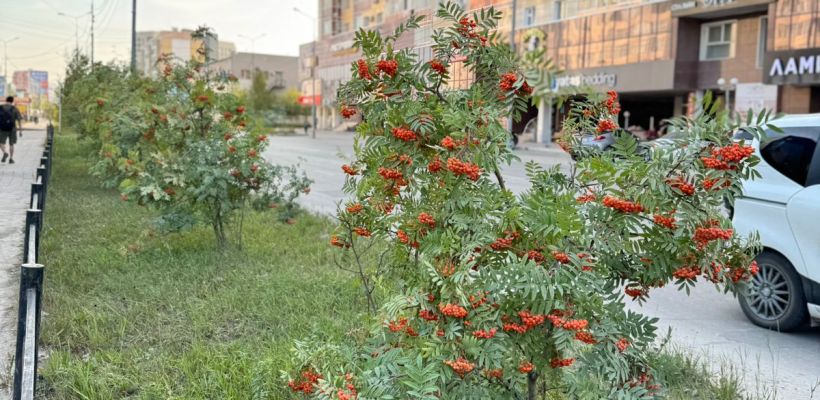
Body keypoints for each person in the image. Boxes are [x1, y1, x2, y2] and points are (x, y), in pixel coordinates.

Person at [0, 96, 23, 164]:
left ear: (6, 100)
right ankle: (11, 159)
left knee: (1, 142)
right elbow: (19, 120)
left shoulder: (0, 107)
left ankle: (5, 152)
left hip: (2, 128)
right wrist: (20, 131)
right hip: (12, 128)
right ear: (12, 101)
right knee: (11, 144)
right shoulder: (15, 108)